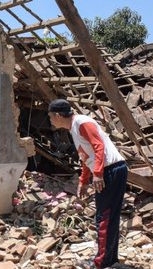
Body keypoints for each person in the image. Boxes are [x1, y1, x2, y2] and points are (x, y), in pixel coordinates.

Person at [48, 99, 129, 269]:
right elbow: (86, 156)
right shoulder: (74, 128)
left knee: (104, 217)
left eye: (50, 116)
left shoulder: (82, 122)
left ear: (57, 115)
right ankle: (110, 260)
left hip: (111, 170)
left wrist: (98, 174)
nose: (50, 120)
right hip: (109, 170)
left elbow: (98, 146)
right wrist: (84, 180)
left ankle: (101, 263)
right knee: (108, 217)